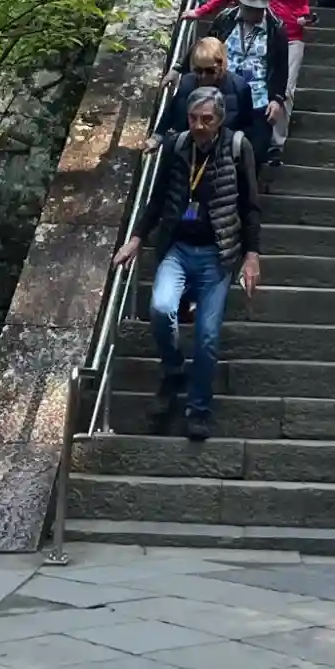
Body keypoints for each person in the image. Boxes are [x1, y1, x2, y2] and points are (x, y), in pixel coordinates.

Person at [114, 87, 262, 442]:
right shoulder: (177, 145)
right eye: (193, 118)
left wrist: (252, 256)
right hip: (178, 248)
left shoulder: (238, 147)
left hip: (217, 254)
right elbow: (157, 197)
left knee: (207, 337)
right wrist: (137, 238)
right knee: (161, 308)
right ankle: (173, 370)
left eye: (206, 119)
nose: (198, 126)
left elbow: (250, 206)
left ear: (220, 119)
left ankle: (198, 410)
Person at [222, 0, 291, 164]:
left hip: (258, 100)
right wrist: (178, 69)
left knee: (254, 157)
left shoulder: (276, 28)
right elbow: (206, 47)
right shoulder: (226, 19)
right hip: (225, 97)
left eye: (258, 9)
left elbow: (281, 68)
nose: (253, 13)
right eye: (249, 8)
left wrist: (277, 99)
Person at [161, 34, 250, 144]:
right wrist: (157, 136)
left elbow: (247, 126)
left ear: (221, 67)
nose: (203, 76)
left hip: (225, 147)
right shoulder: (187, 82)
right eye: (198, 70)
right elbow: (172, 112)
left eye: (210, 71)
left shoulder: (239, 87)